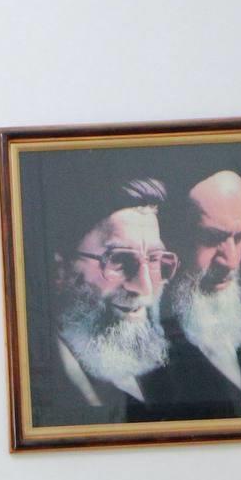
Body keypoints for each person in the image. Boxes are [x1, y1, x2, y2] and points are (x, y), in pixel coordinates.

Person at [29, 174, 176, 422]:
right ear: (60, 270)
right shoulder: (40, 384)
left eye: (153, 259)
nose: (145, 287)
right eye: (119, 260)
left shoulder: (163, 375)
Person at [148, 169, 241, 421]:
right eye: (211, 238)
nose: (231, 261)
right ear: (171, 238)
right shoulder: (143, 345)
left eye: (240, 237)